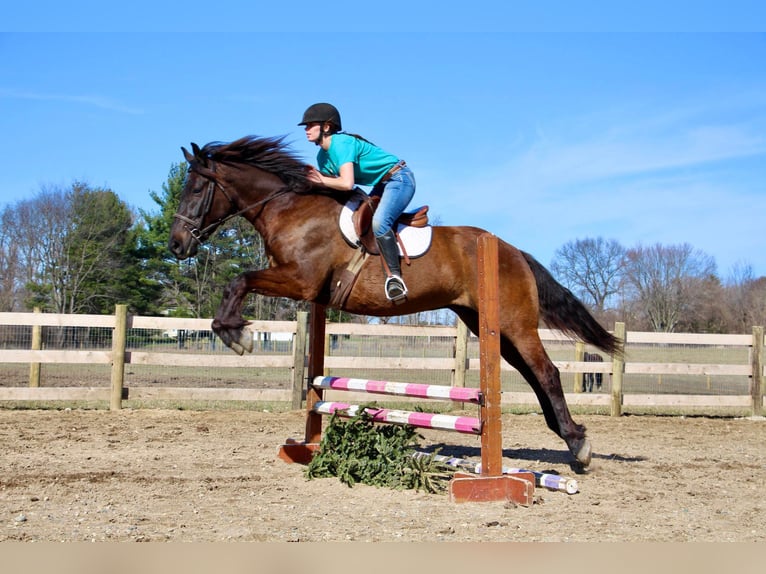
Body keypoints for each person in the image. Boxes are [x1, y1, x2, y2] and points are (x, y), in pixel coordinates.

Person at [299, 102, 415, 302]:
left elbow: (346, 183)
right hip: (380, 185)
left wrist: (320, 179)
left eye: (310, 125)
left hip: (399, 178)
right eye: (306, 127)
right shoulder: (322, 157)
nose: (306, 130)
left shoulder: (341, 143)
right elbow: (330, 187)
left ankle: (395, 278)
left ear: (326, 127)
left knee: (379, 222)